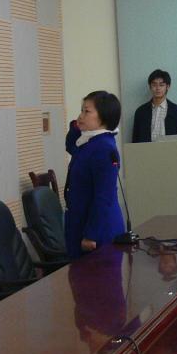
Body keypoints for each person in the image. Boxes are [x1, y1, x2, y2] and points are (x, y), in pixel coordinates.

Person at [65, 91, 126, 259]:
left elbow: (104, 196)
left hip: (98, 231)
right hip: (81, 222)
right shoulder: (90, 141)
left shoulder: (103, 148)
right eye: (81, 110)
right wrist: (77, 125)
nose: (81, 115)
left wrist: (92, 234)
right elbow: (71, 145)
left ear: (104, 117)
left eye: (87, 111)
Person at [131, 69, 177, 143]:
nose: (158, 88)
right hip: (147, 150)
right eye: (154, 85)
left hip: (171, 149)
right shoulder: (140, 112)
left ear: (167, 87)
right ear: (150, 87)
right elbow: (135, 140)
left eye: (161, 85)